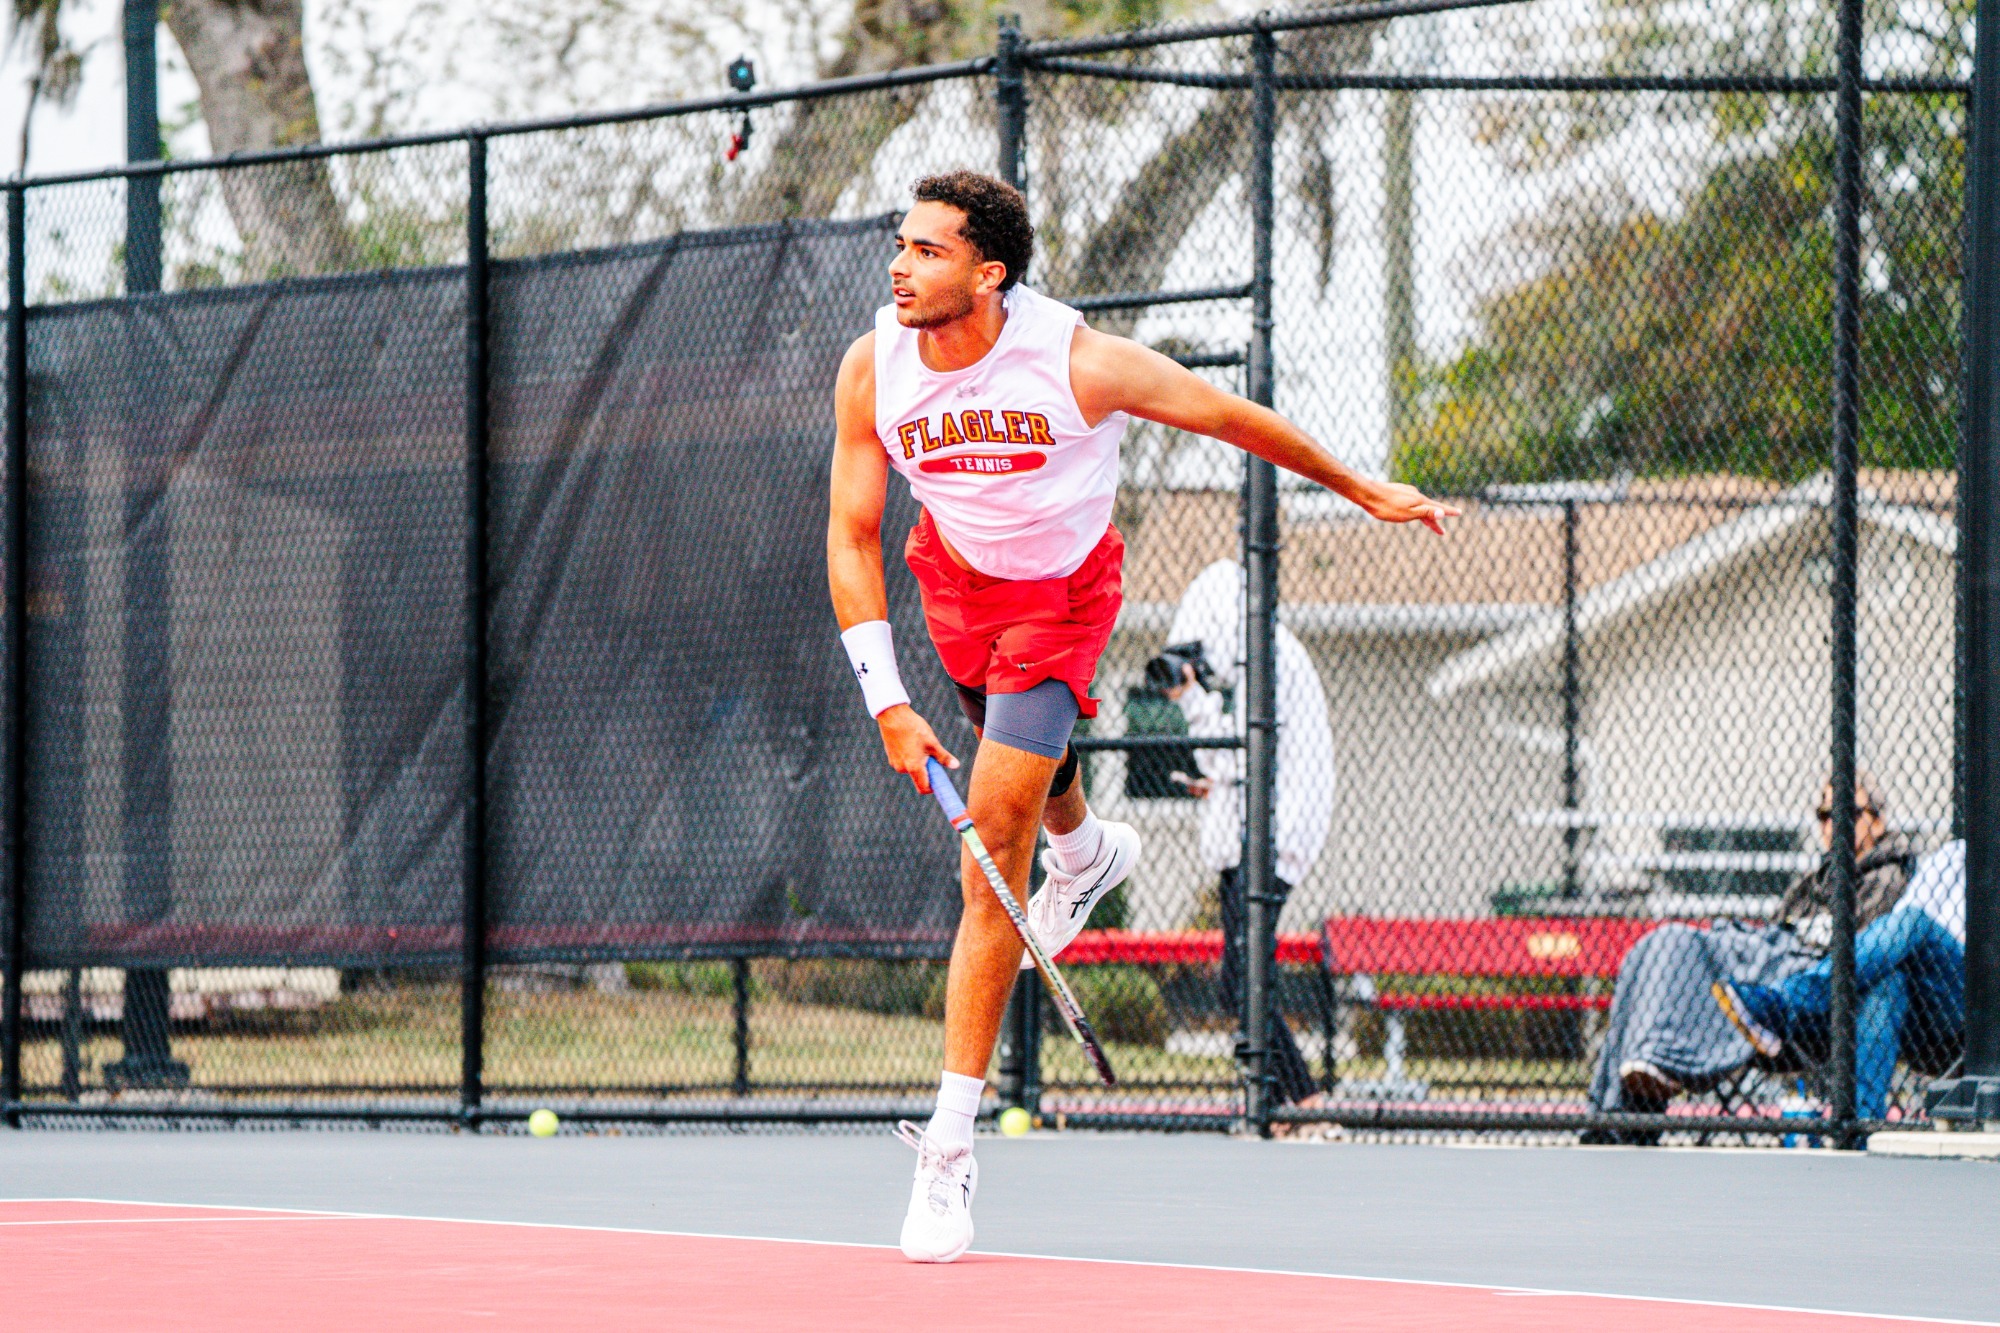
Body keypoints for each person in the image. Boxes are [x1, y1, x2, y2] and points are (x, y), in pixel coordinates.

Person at [826, 170, 1456, 1263]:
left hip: (1062, 602)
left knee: (990, 853)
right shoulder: (873, 365)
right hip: (953, 587)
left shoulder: (1076, 361)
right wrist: (887, 701)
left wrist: (1359, 488)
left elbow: (1225, 415)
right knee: (1029, 784)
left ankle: (945, 1146)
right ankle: (1085, 855)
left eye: (928, 250)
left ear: (989, 271)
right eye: (900, 243)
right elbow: (849, 533)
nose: (900, 263)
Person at [1587, 776, 1914, 1121]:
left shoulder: (1889, 879)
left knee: (1694, 955)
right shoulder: (1813, 882)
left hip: (1803, 997)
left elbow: (1863, 957)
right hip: (1762, 964)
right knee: (1664, 942)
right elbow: (1774, 929)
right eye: (1824, 815)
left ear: (1877, 821)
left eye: (1847, 812)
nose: (1832, 824)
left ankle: (1665, 1062)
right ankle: (1627, 1093)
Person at [1160, 558, 1335, 1115]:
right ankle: (1282, 1100)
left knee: (1242, 978)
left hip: (1274, 835)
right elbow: (1245, 758)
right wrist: (1221, 784)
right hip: (1267, 829)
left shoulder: (1267, 656)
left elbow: (1227, 749)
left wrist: (1190, 699)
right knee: (1243, 976)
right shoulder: (1267, 652)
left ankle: (1299, 1098)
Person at [1716, 839, 1965, 1122]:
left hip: (1974, 1003)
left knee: (1914, 921)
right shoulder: (1953, 855)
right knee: (1888, 982)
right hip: (1921, 1000)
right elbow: (1896, 931)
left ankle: (1789, 1004)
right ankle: (1862, 1125)